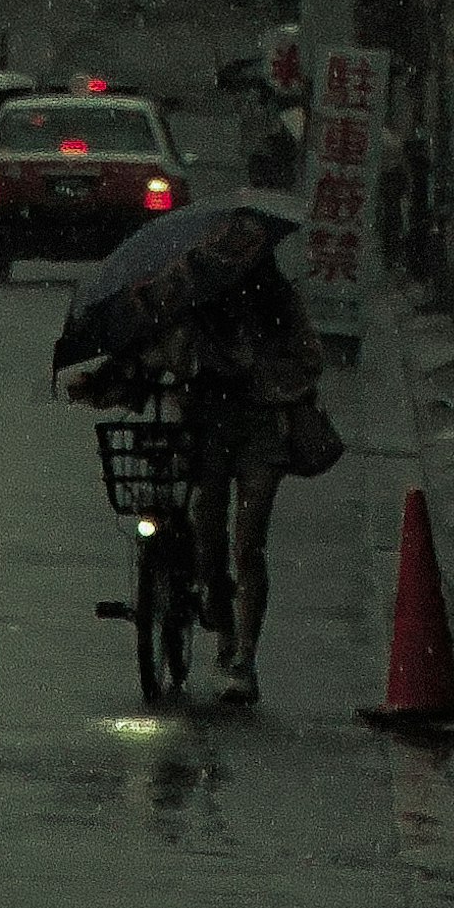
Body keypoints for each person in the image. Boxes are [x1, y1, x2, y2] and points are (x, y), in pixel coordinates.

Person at [150, 219, 322, 704]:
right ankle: (224, 632)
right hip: (207, 426)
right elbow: (161, 345)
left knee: (249, 541)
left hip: (261, 428)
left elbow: (309, 356)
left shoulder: (278, 301)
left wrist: (265, 368)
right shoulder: (192, 289)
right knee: (207, 536)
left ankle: (245, 652)